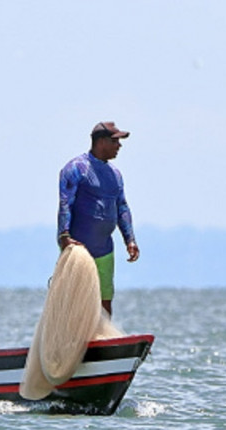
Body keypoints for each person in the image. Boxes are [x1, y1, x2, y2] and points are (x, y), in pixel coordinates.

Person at [57, 121, 140, 316]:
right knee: (74, 299)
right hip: (78, 247)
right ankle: (68, 340)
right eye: (115, 141)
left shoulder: (115, 175)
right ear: (101, 142)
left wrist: (130, 240)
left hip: (105, 248)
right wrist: (64, 236)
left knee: (105, 299)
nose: (119, 146)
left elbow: (122, 207)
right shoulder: (76, 168)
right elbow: (65, 203)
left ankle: (102, 340)